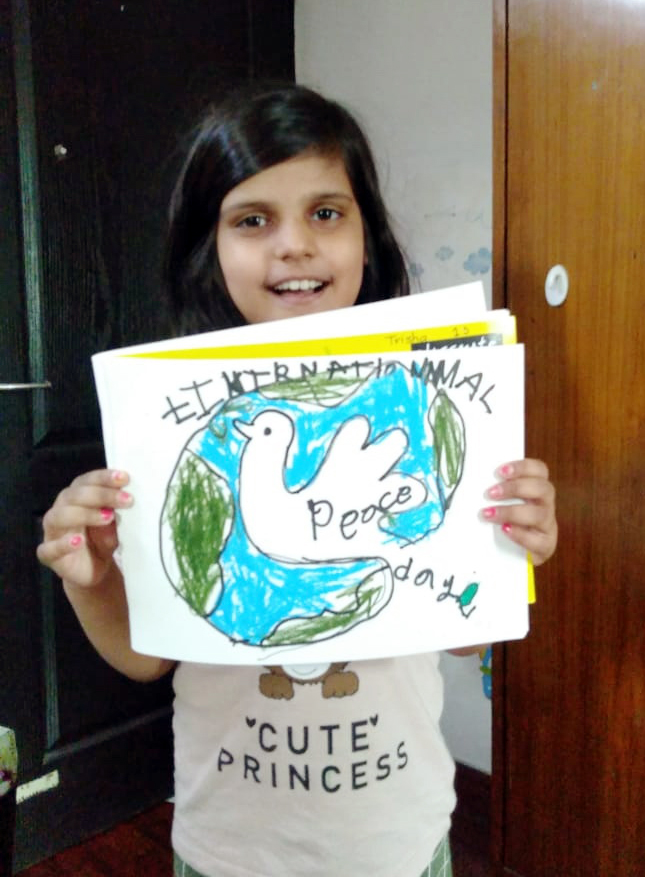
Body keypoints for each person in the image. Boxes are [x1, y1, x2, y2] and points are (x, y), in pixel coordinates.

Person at [36, 84, 558, 877]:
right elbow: (146, 659)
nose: (294, 246)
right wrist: (91, 575)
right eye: (252, 220)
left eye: (325, 212)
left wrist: (506, 547)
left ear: (365, 236)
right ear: (209, 245)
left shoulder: (418, 404)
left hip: (397, 844)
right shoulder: (168, 425)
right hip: (227, 851)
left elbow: (462, 633)